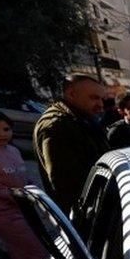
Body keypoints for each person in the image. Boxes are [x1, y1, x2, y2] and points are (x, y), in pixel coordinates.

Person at [0, 110, 52, 259]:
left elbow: (23, 177)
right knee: (34, 255)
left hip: (24, 209)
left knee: (26, 255)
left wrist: (33, 189)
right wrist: (12, 193)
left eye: (6, 129)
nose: (1, 133)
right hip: (4, 214)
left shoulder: (13, 150)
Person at [33, 74, 110, 213]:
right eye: (94, 98)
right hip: (85, 214)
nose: (100, 104)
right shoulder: (57, 125)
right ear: (71, 94)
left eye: (101, 99)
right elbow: (67, 185)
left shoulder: (80, 119)